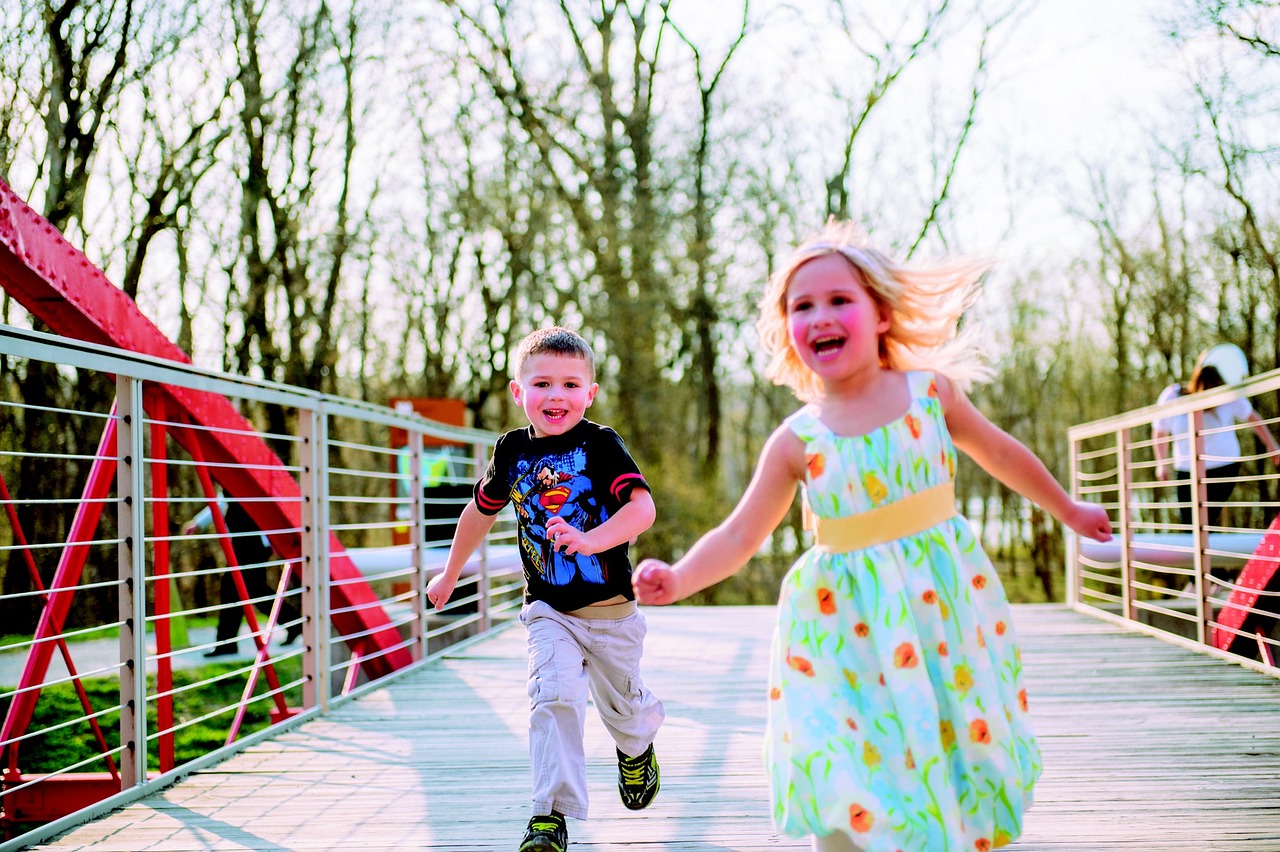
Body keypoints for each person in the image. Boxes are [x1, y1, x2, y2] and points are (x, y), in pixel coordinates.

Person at [632, 221, 1112, 852]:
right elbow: (740, 533)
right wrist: (682, 577)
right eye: (802, 307)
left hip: (939, 611)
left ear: (881, 315)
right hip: (839, 625)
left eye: (839, 300)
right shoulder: (797, 440)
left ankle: (952, 831)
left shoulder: (929, 395)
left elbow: (1000, 452)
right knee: (844, 748)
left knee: (949, 733)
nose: (820, 316)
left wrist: (1068, 509)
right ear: (788, 332)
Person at [426, 327, 663, 852]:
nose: (556, 396)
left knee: (625, 710)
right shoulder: (511, 450)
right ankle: (549, 817)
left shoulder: (601, 445)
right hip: (548, 610)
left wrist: (589, 539)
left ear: (590, 393)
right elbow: (479, 513)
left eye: (570, 385)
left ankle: (635, 749)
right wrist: (449, 574)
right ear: (518, 392)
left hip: (611, 612)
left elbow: (642, 509)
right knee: (551, 698)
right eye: (543, 384)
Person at [1153, 364, 1280, 527]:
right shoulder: (1172, 396)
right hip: (1187, 469)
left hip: (1223, 466)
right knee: (1189, 521)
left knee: (1206, 519)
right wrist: (1161, 463)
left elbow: (1252, 417)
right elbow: (1160, 431)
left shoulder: (1227, 395)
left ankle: (1206, 547)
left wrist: (1272, 445)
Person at [182, 494, 302, 657]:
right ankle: (293, 623)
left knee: (240, 590)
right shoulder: (229, 487)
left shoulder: (247, 483)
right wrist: (198, 522)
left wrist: (271, 539)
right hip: (241, 546)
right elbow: (220, 502)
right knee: (248, 591)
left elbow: (266, 508)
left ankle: (228, 643)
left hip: (253, 546)